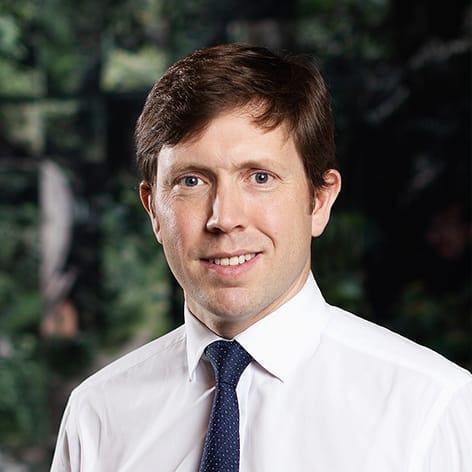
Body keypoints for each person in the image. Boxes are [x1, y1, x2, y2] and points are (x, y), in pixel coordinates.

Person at [50, 44, 472, 471]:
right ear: (153, 210)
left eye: (260, 177)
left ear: (319, 200)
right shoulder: (97, 417)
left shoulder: (428, 408)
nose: (224, 218)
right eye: (192, 181)